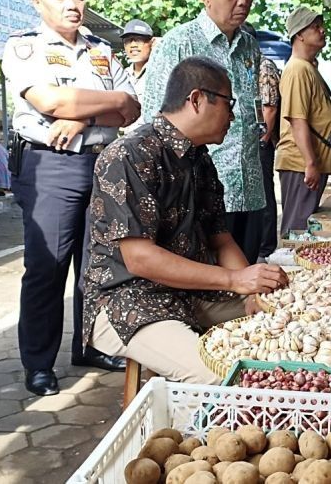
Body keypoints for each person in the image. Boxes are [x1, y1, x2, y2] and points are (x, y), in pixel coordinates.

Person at [84, 57, 288, 383]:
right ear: (196, 100)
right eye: (228, 104)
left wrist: (251, 293)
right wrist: (234, 281)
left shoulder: (199, 158)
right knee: (221, 375)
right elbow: (139, 259)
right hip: (126, 300)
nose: (233, 116)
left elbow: (220, 239)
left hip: (189, 292)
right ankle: (193, 430)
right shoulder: (129, 154)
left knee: (287, 323)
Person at [2, 0, 140, 396]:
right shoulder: (24, 48)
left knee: (97, 267)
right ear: (38, 3)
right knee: (47, 268)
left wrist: (82, 118)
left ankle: (90, 345)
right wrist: (110, 103)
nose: (73, 4)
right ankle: (39, 364)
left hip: (100, 163)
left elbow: (131, 109)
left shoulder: (102, 49)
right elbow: (48, 100)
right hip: (51, 165)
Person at [141, 0, 266, 264]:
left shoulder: (249, 45)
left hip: (248, 192)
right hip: (199, 200)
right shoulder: (178, 44)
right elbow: (154, 122)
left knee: (245, 290)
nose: (243, 0)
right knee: (207, 296)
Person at [274, 7, 331, 236]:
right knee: (296, 233)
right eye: (315, 26)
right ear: (299, 34)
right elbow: (297, 120)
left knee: (303, 230)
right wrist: (311, 163)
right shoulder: (296, 70)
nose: (323, 30)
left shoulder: (308, 68)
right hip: (299, 165)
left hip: (307, 164)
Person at [244, 23, 281, 261]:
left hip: (258, 140)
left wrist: (263, 138)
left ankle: (265, 248)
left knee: (264, 194)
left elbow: (269, 106)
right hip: (244, 140)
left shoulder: (263, 65)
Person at [120, 19, 155, 132]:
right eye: (128, 41)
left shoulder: (161, 73)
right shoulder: (121, 75)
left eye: (139, 40)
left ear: (152, 43)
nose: (133, 45)